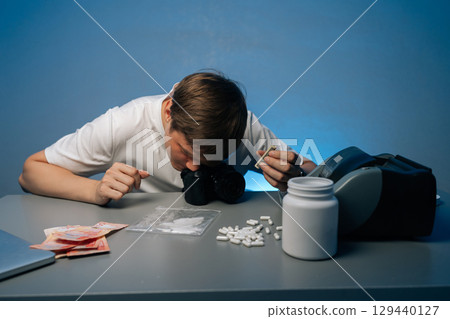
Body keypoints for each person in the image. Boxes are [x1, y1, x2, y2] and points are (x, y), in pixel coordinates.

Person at [19, 71, 316, 205]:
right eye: (187, 151)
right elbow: (30, 173)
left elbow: (315, 172)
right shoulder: (124, 123)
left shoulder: (243, 128)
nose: (195, 166)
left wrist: (295, 176)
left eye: (211, 156)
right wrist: (96, 192)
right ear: (170, 111)